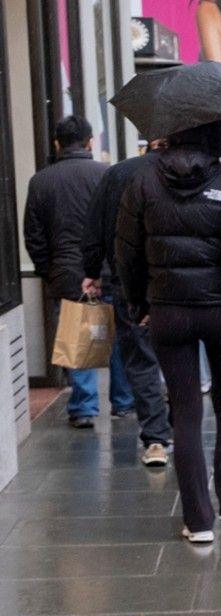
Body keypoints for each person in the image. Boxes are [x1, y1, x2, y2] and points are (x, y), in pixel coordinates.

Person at [116, 120, 221, 544]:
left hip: (169, 311)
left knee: (184, 413)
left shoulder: (142, 181)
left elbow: (126, 251)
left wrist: (138, 303)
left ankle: (198, 521)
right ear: (217, 136)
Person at [80, 140, 173, 467]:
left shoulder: (118, 174)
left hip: (129, 281)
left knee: (141, 358)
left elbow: (94, 227)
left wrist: (92, 271)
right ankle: (177, 420)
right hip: (180, 282)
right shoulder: (196, 172)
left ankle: (156, 438)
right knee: (179, 353)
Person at [22, 115, 118, 429]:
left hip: (65, 270)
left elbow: (33, 235)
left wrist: (47, 271)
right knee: (117, 332)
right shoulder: (108, 175)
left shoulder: (41, 181)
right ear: (90, 142)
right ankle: (125, 401)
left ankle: (84, 407)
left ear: (57, 144)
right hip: (107, 268)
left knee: (78, 334)